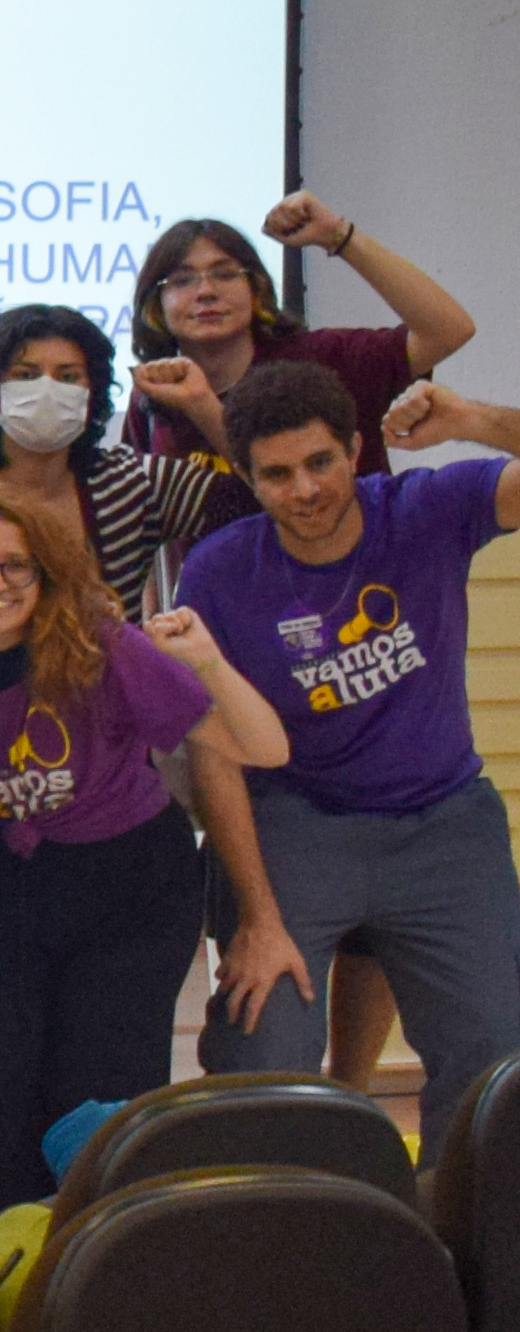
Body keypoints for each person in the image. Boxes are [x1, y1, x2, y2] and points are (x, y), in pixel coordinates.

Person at [173, 365, 520, 1100]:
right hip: (297, 821)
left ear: (357, 449)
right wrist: (259, 917)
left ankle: (457, 1211)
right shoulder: (218, 570)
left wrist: (471, 420)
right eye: (277, 473)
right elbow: (213, 751)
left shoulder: (426, 507)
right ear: (248, 478)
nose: (304, 489)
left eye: (320, 462)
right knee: (260, 1044)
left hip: (443, 820)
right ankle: (291, 1211)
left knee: (497, 1052)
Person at [0, 492, 289, 1227]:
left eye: (18, 565)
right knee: (0, 1099)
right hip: (14, 888)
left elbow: (265, 747)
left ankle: (103, 1284)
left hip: (132, 886)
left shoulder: (103, 644)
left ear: (51, 573)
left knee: (93, 1105)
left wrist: (208, 662)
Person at [0, 300, 227, 620]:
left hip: (106, 672)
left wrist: (203, 407)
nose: (47, 390)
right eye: (26, 375)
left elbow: (267, 501)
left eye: (68, 377)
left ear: (92, 393)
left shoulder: (133, 483)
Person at [125, 195, 477, 479]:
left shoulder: (322, 361)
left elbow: (448, 331)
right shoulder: (155, 396)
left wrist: (338, 235)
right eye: (183, 280)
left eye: (225, 274)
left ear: (257, 290)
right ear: (155, 305)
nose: (206, 291)